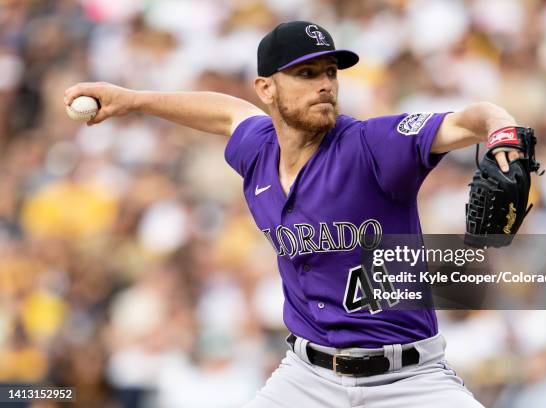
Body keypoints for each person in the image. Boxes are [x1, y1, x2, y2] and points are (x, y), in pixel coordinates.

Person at [65, 20, 522, 408]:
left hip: (407, 381)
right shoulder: (258, 151)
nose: (325, 84)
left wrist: (503, 134)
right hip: (306, 379)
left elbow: (469, 118)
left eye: (329, 71)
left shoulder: (372, 146)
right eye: (305, 73)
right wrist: (133, 99)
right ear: (266, 88)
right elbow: (226, 114)